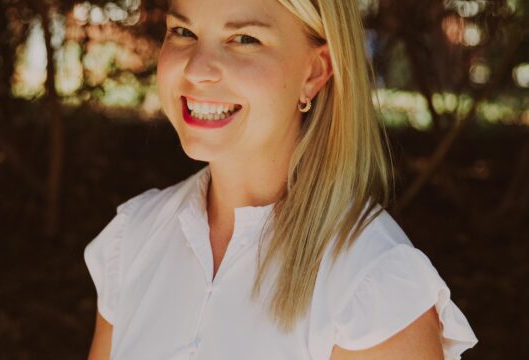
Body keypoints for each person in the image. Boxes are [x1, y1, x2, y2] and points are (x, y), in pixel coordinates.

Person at [84, 0, 478, 359]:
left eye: (244, 39)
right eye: (183, 32)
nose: (196, 69)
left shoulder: (373, 285)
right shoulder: (132, 238)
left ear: (315, 72)